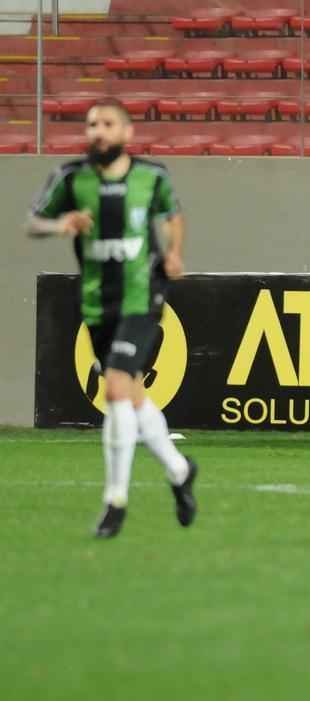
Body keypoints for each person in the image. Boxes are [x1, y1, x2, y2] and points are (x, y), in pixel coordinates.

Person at [26, 98, 198, 539]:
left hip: (142, 296)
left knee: (117, 383)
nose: (97, 131)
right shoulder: (71, 178)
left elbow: (173, 215)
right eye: (91, 124)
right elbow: (33, 223)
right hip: (96, 303)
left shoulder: (151, 176)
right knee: (134, 395)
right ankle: (179, 472)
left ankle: (115, 501)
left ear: (126, 133)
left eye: (106, 123)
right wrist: (60, 224)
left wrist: (175, 252)